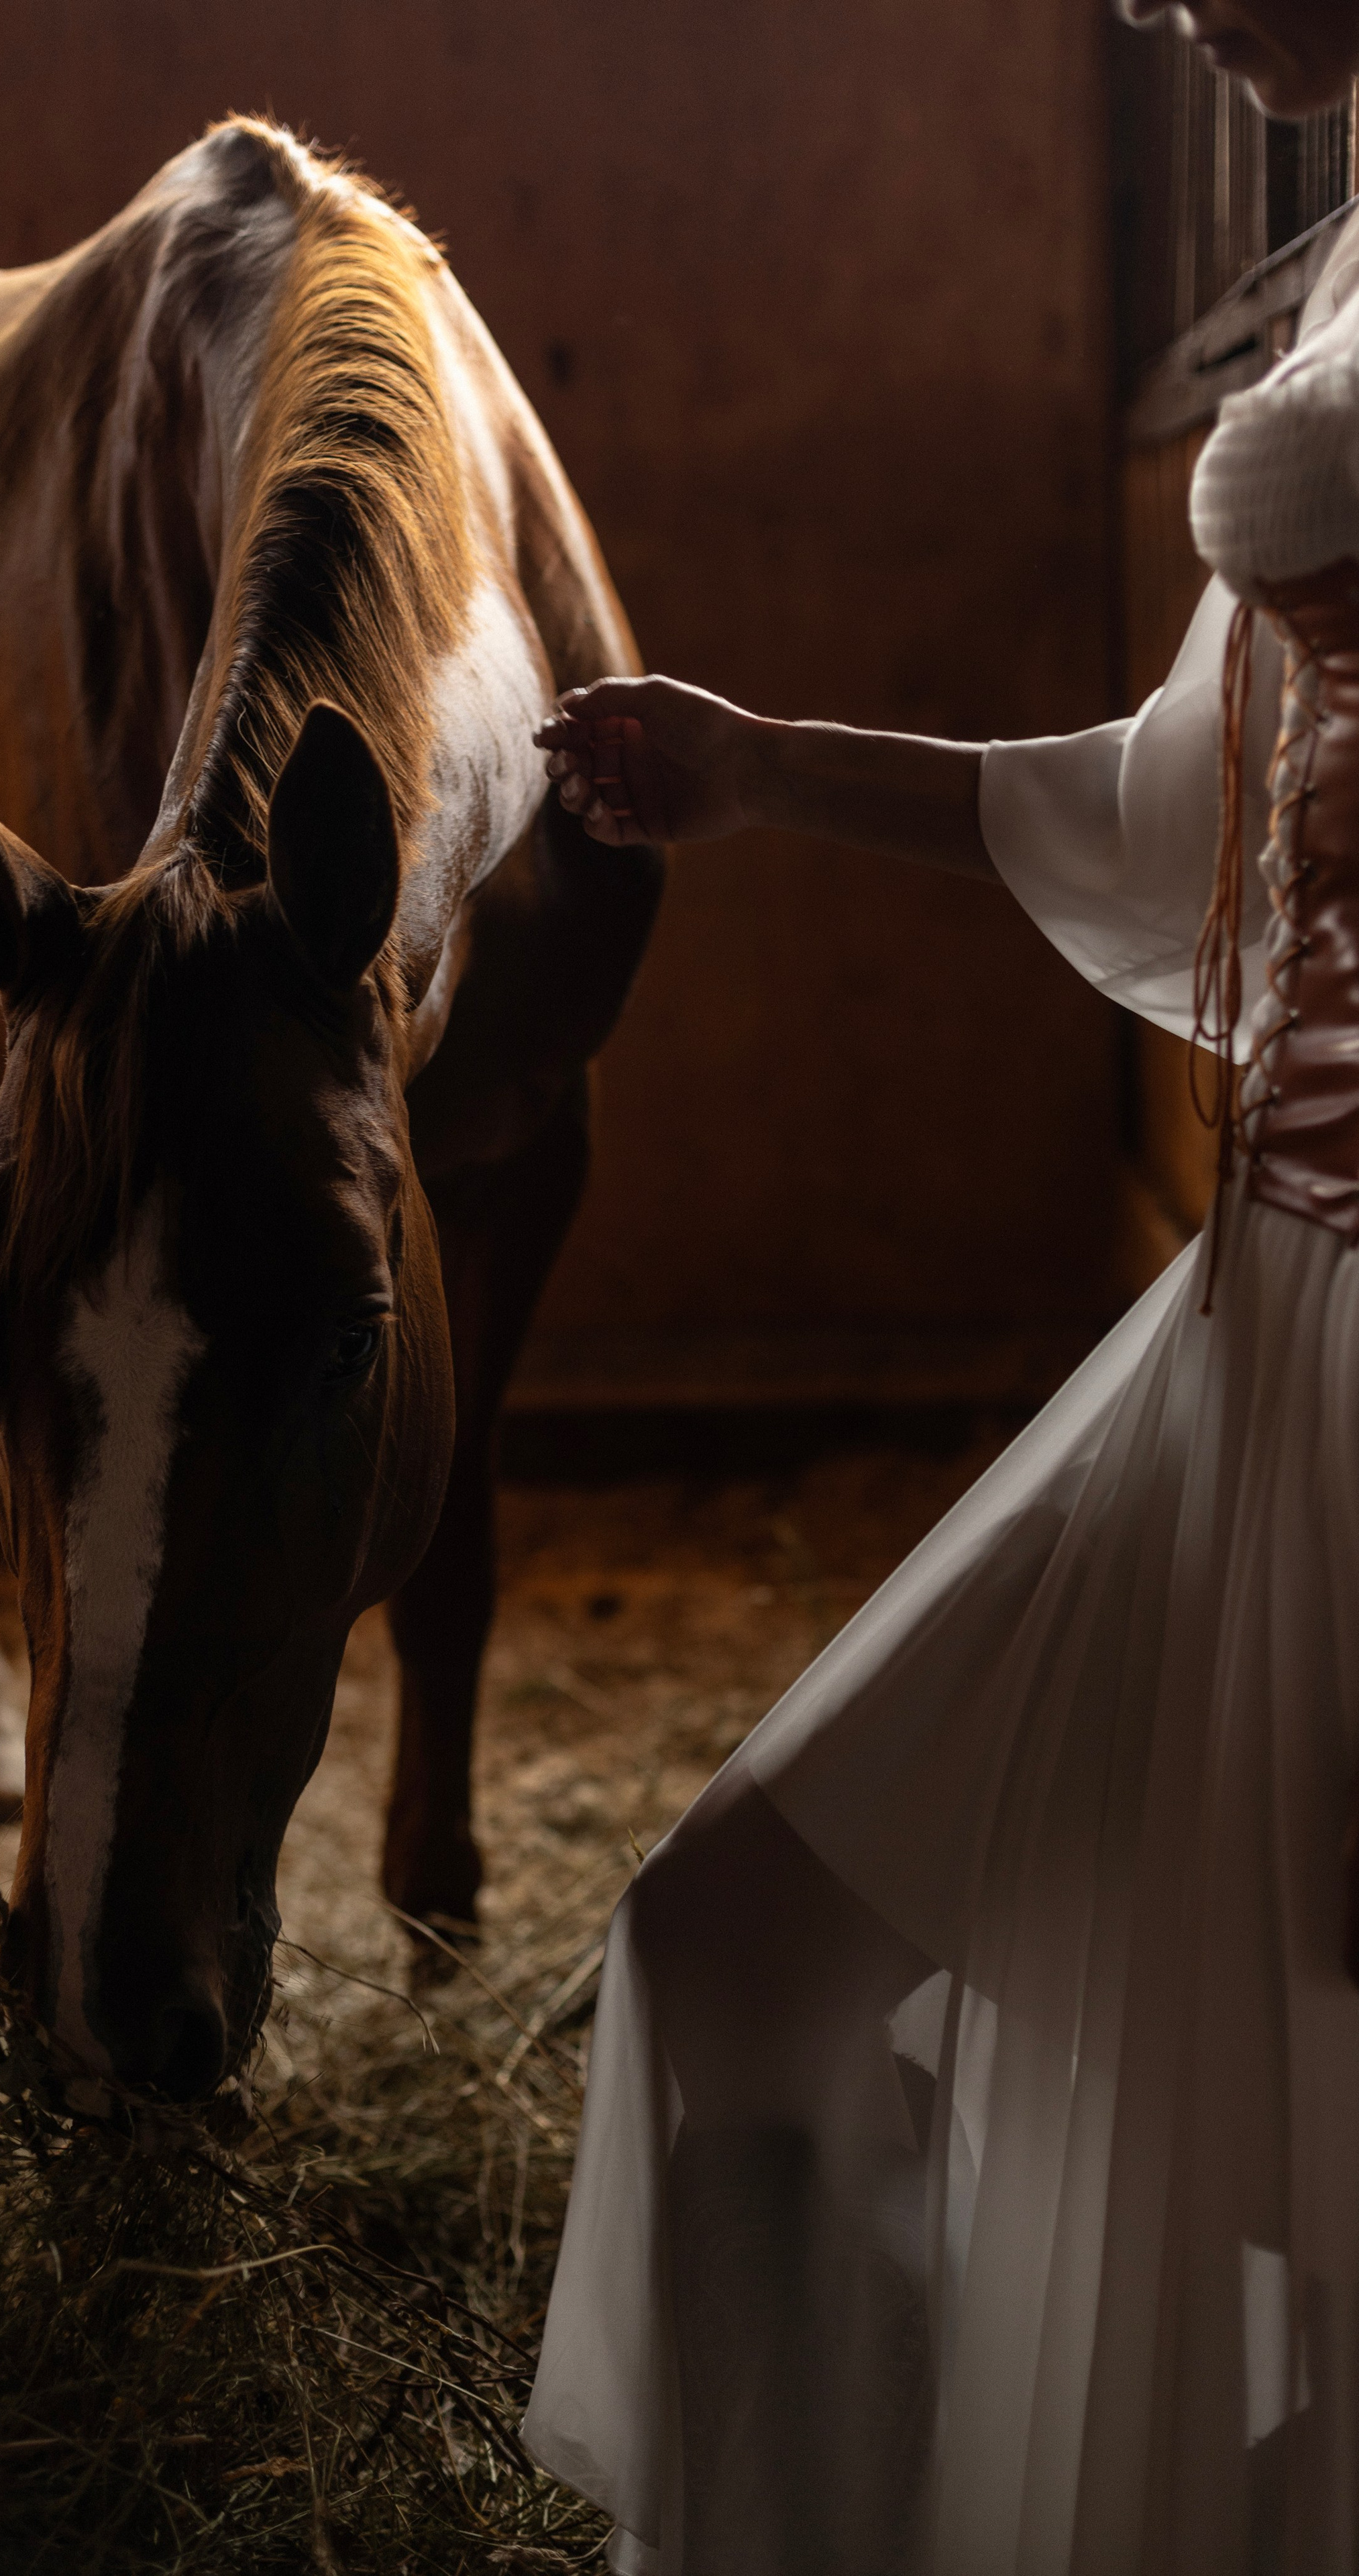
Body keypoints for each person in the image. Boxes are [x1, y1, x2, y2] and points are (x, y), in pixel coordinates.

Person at [521, 6, 1359, 2571]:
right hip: (1257, 1339)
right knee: (741, 1956)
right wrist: (766, 764)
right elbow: (1173, 808)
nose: (1154, 11)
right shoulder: (1335, 265)